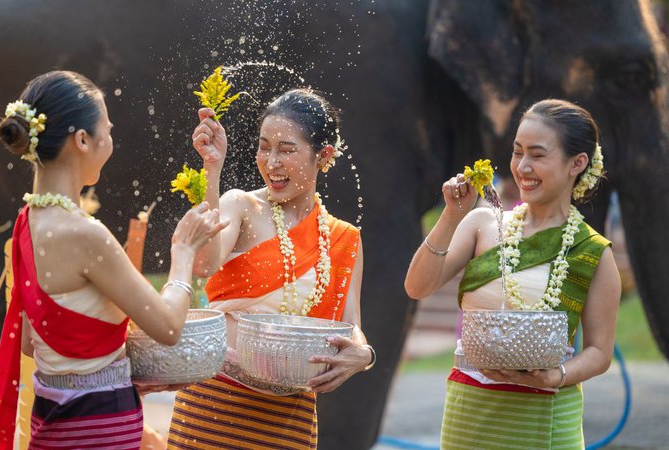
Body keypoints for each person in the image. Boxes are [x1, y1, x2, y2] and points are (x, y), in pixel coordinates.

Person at [0, 70, 227, 450]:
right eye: (107, 131)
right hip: (100, 429)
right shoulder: (85, 234)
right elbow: (167, 327)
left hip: (52, 421)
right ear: (82, 140)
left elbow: (34, 343)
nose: (111, 142)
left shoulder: (26, 224)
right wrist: (183, 251)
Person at [165, 89, 375, 449]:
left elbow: (351, 324)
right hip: (214, 404)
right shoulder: (241, 206)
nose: (271, 162)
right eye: (264, 147)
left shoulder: (343, 239)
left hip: (288, 417)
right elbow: (203, 263)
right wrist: (212, 171)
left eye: (286, 150)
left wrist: (364, 355)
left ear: (323, 156)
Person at [405, 99, 620, 449]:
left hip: (545, 415)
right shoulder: (482, 224)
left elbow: (599, 352)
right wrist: (451, 215)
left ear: (577, 163)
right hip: (470, 413)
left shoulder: (591, 251)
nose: (522, 166)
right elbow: (417, 287)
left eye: (537, 155)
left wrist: (556, 377)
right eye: (517, 152)